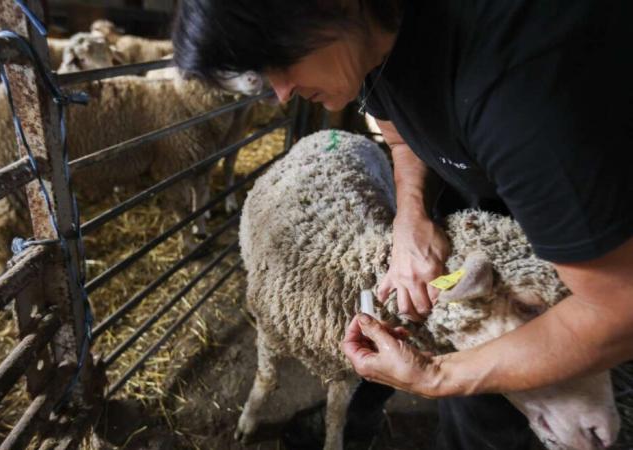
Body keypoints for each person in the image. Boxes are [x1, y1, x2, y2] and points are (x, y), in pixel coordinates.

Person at [172, 0, 633, 448]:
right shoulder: (370, 41)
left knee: (481, 400)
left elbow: (619, 310)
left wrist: (437, 377)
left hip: (585, 225)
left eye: (280, 58)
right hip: (490, 182)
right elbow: (397, 129)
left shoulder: (518, 87)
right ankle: (365, 412)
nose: (281, 94)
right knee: (423, 315)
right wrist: (410, 218)